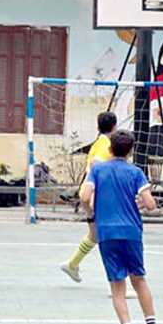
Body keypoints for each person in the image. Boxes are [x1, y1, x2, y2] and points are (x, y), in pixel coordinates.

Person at [80, 130, 163, 324]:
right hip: (131, 232)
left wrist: (91, 213)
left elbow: (85, 197)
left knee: (117, 286)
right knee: (139, 280)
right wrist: (140, 204)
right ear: (131, 151)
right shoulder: (136, 172)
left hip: (107, 232)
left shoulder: (98, 170)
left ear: (110, 149)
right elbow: (151, 205)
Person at [60, 112, 117, 282]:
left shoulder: (99, 142)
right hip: (95, 195)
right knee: (112, 239)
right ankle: (117, 283)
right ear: (114, 126)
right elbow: (96, 164)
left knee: (95, 235)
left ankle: (72, 264)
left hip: (88, 192)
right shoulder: (106, 145)